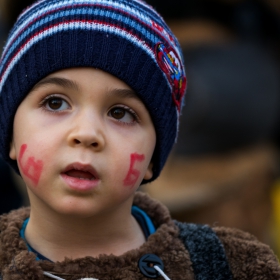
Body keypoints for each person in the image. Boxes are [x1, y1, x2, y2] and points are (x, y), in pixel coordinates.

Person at [0, 1, 279, 279]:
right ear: (10, 134)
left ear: (153, 156)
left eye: (120, 113)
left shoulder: (227, 265)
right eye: (55, 103)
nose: (86, 133)